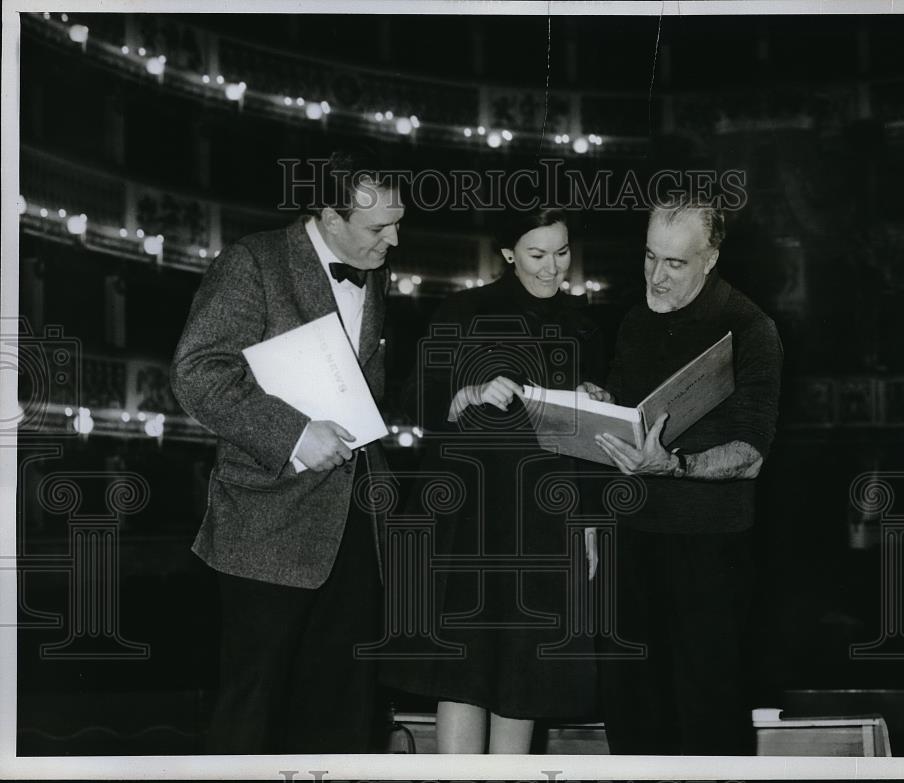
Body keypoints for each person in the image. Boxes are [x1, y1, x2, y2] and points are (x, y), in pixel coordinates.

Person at [170, 148, 404, 754]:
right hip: (266, 527)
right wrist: (296, 434)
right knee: (254, 711)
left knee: (345, 707)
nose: (395, 239)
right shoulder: (253, 262)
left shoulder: (376, 270)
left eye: (397, 222)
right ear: (330, 217)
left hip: (355, 529)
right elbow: (197, 373)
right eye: (379, 227)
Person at [380, 207, 607, 753]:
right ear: (508, 253)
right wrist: (466, 393)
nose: (554, 268)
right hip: (470, 522)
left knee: (524, 676)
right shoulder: (464, 309)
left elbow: (597, 446)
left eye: (562, 252)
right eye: (537, 254)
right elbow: (415, 399)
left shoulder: (585, 324)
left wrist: (591, 520)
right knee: (465, 670)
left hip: (545, 523)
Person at [593, 196, 782, 755]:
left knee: (709, 710)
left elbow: (751, 453)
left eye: (675, 264)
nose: (657, 276)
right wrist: (597, 403)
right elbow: (632, 416)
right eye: (650, 257)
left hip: (710, 548)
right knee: (629, 707)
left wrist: (674, 466)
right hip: (632, 540)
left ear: (710, 258)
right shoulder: (633, 320)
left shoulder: (751, 327)